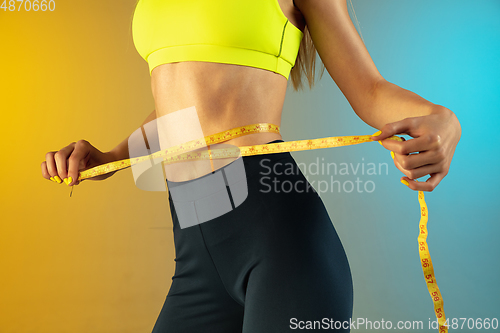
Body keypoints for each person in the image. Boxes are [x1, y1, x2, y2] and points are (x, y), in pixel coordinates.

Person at [40, 0, 461, 332]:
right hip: (193, 248)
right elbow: (183, 107)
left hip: (279, 242)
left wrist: (443, 119)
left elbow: (370, 90)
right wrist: (114, 156)